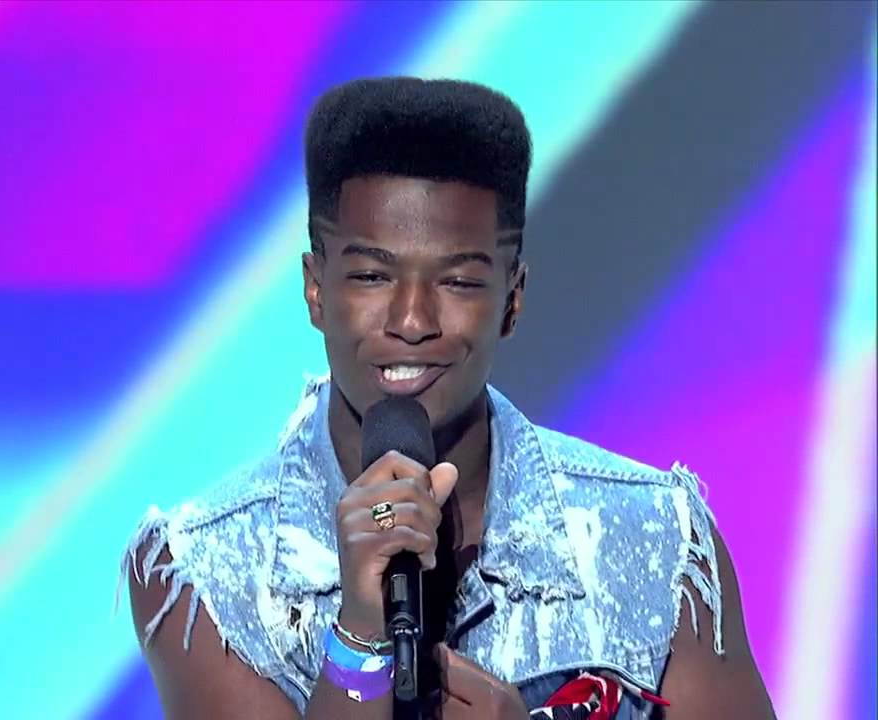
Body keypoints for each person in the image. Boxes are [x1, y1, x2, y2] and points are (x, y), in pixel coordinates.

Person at [122, 77, 776, 720]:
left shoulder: (655, 538)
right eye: (371, 276)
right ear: (316, 289)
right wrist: (361, 633)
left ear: (512, 299)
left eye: (458, 282)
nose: (411, 321)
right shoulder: (207, 572)